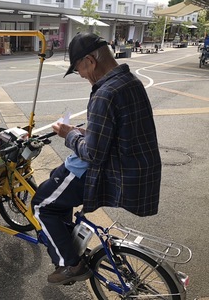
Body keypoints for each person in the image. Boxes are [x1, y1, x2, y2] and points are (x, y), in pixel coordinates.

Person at [32, 32, 162, 286]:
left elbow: (93, 154)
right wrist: (86, 132)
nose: (80, 74)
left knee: (41, 204)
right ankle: (68, 240)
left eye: (78, 68)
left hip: (104, 171)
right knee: (55, 187)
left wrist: (69, 135)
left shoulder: (104, 93)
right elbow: (118, 130)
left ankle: (71, 265)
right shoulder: (130, 81)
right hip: (132, 166)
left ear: (90, 60)